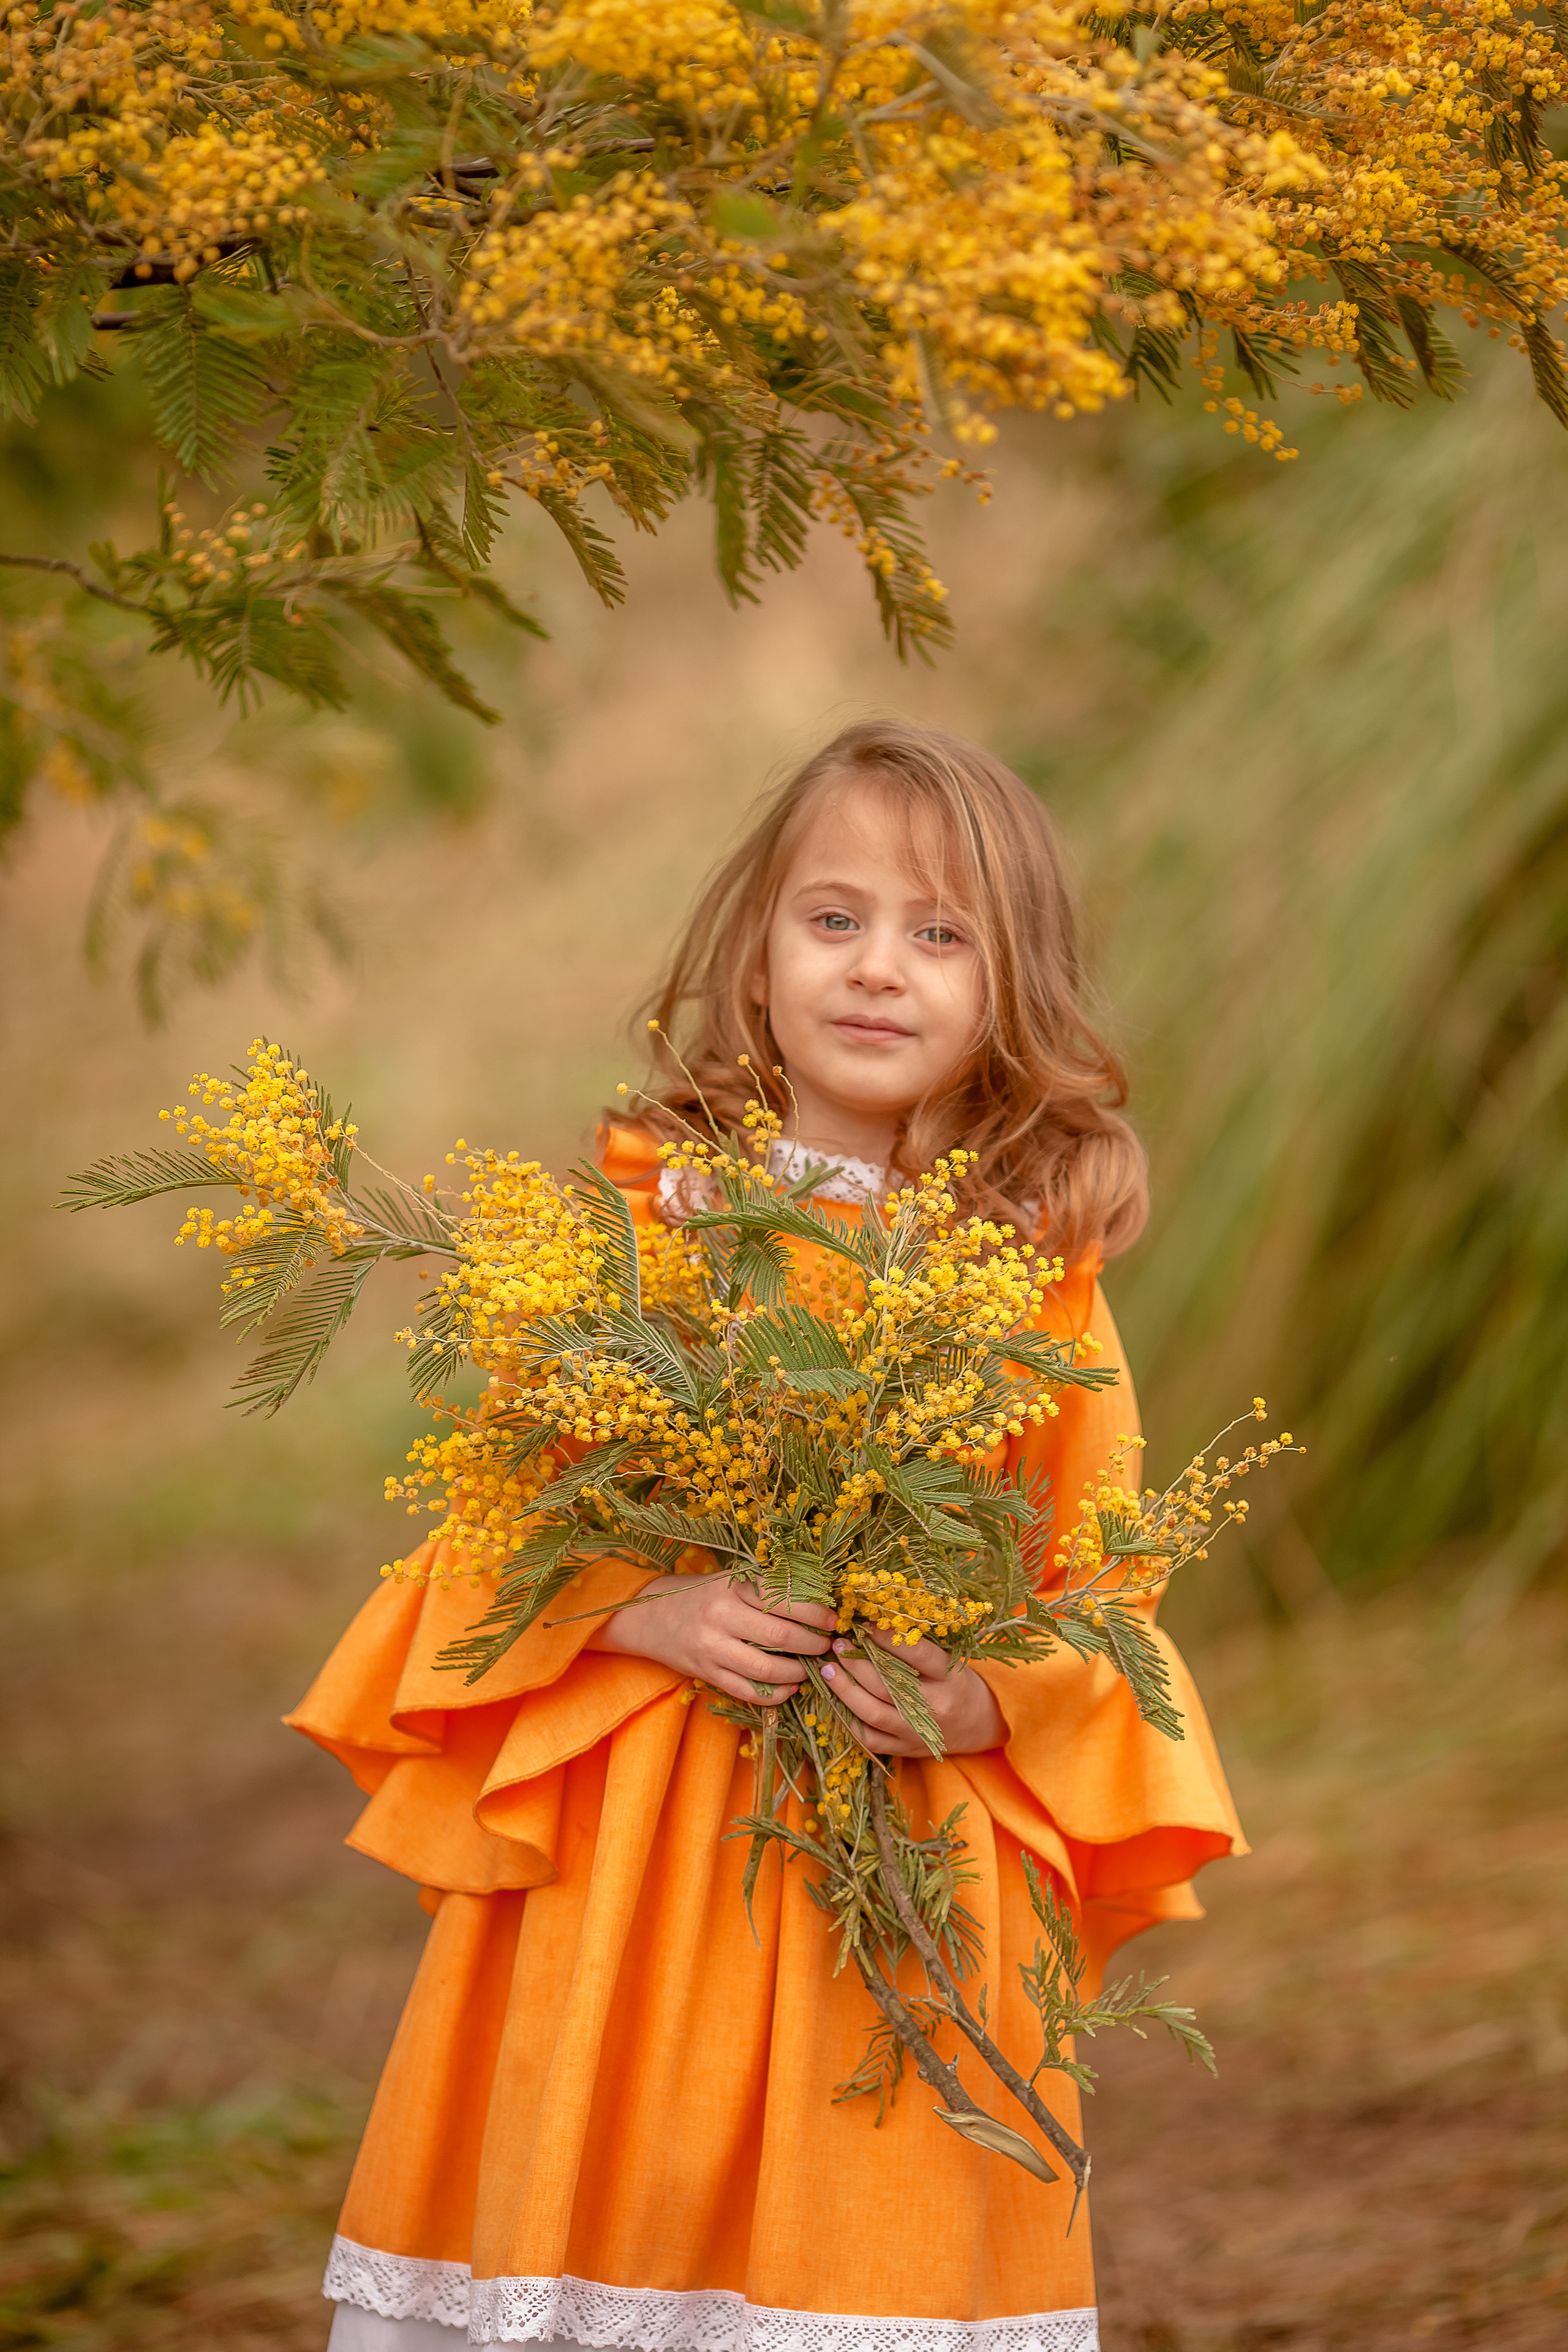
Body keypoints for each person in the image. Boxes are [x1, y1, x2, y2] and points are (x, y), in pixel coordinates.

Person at [294, 720, 1244, 2352]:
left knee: (860, 2236)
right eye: (836, 919)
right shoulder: (640, 1239)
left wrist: (983, 1697)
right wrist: (646, 1611)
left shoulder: (1034, 1291)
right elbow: (483, 1539)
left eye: (941, 935)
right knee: (612, 2224)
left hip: (899, 1885)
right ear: (755, 959)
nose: (881, 969)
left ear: (1011, 992)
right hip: (640, 1873)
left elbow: (1104, 1598)